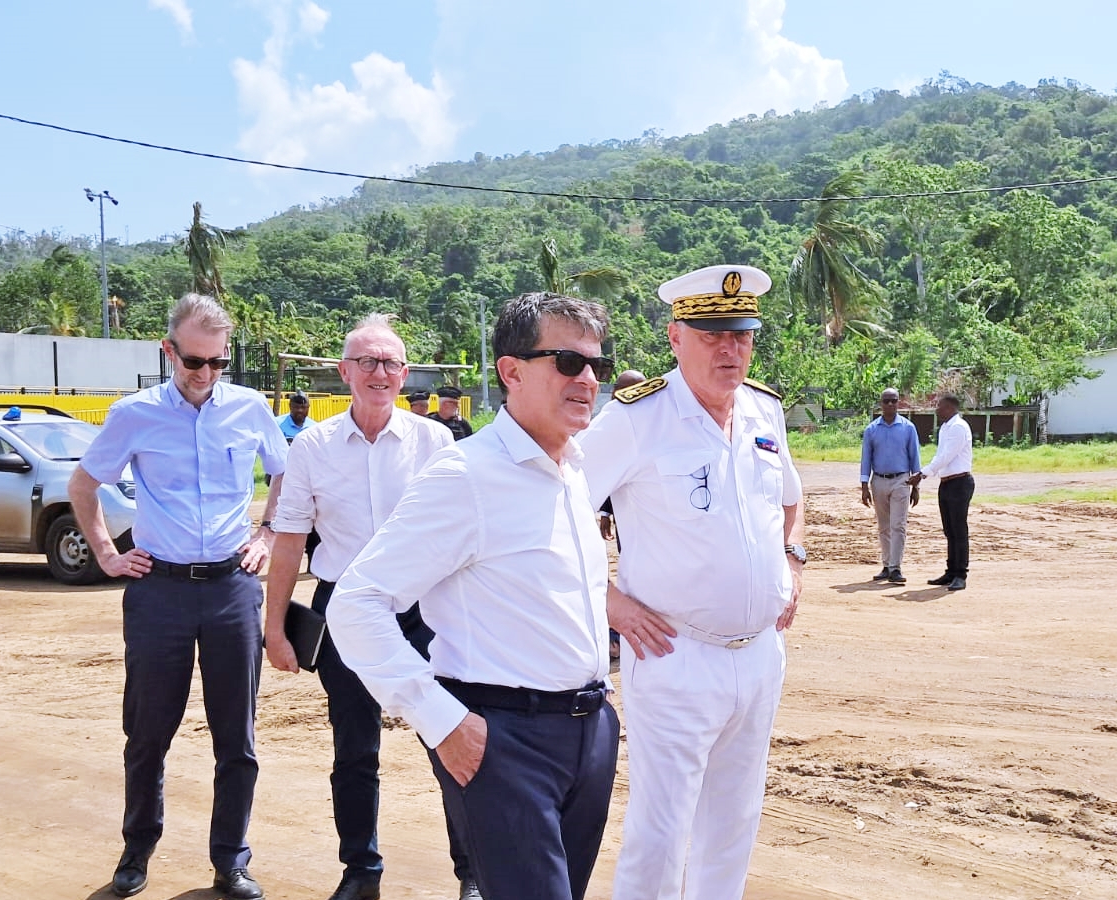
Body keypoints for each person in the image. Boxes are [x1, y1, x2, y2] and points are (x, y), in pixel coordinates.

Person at [327, 292, 619, 900]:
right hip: (504, 737)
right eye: (567, 361)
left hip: (588, 732)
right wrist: (440, 721)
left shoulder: (574, 468)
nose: (588, 379)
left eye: (598, 363)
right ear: (511, 371)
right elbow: (355, 604)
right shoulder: (466, 477)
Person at [577, 264, 804, 900]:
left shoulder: (764, 409)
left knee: (734, 820)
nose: (729, 349)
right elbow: (557, 512)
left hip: (759, 655)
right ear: (676, 337)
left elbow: (790, 498)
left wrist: (793, 557)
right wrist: (610, 600)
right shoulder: (637, 418)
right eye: (711, 335)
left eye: (741, 334)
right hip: (675, 654)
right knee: (663, 826)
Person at [70, 294, 288, 900]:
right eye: (196, 361)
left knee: (236, 736)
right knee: (147, 730)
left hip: (230, 589)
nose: (207, 374)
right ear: (169, 351)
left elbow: (288, 472)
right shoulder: (134, 414)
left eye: (220, 362)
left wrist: (266, 531)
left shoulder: (248, 409)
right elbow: (85, 483)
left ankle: (230, 860)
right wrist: (108, 554)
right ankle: (137, 851)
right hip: (157, 591)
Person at [262, 315, 474, 900]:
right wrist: (274, 626)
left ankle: (473, 872)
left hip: (422, 613)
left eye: (390, 364)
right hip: (344, 611)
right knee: (354, 749)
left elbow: (459, 534)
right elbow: (289, 538)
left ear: (404, 375)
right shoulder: (311, 446)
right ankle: (361, 872)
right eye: (367, 362)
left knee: (448, 739)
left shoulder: (434, 441)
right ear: (344, 372)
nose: (379, 373)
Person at [595, 369, 647, 662]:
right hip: (626, 523)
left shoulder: (656, 424)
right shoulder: (606, 426)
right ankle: (616, 637)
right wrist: (605, 514)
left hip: (653, 523)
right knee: (626, 573)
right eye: (626, 390)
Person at [910, 393, 974, 591]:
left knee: (958, 530)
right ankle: (950, 571)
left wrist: (922, 474)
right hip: (946, 483)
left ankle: (960, 574)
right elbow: (940, 455)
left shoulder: (958, 427)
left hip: (960, 483)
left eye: (941, 406)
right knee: (949, 530)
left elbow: (946, 457)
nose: (937, 410)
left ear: (951, 408)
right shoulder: (946, 428)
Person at [859, 387, 921, 584]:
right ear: (881, 404)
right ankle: (886, 565)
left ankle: (896, 567)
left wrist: (916, 486)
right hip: (878, 481)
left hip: (901, 480)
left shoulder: (908, 428)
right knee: (884, 526)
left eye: (894, 401)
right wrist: (864, 486)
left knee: (898, 525)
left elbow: (914, 457)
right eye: (886, 401)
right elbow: (866, 458)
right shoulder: (872, 430)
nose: (890, 405)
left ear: (898, 403)